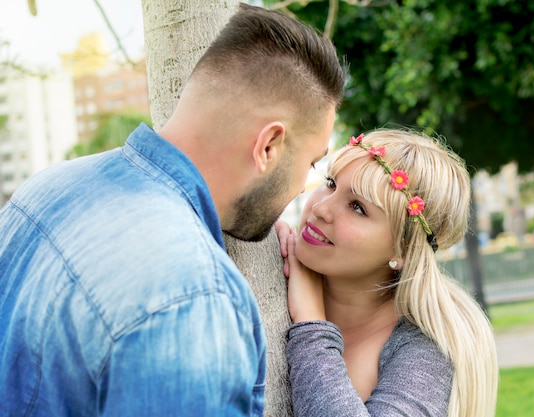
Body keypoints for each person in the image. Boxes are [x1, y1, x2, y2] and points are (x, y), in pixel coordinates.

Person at [0, 4, 344, 416]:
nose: (302, 186)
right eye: (310, 163)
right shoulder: (196, 297)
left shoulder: (46, 187)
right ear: (268, 146)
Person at [277, 129, 499, 416]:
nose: (320, 208)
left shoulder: (427, 351)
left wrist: (310, 321)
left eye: (357, 207)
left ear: (403, 250)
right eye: (331, 183)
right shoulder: (274, 265)